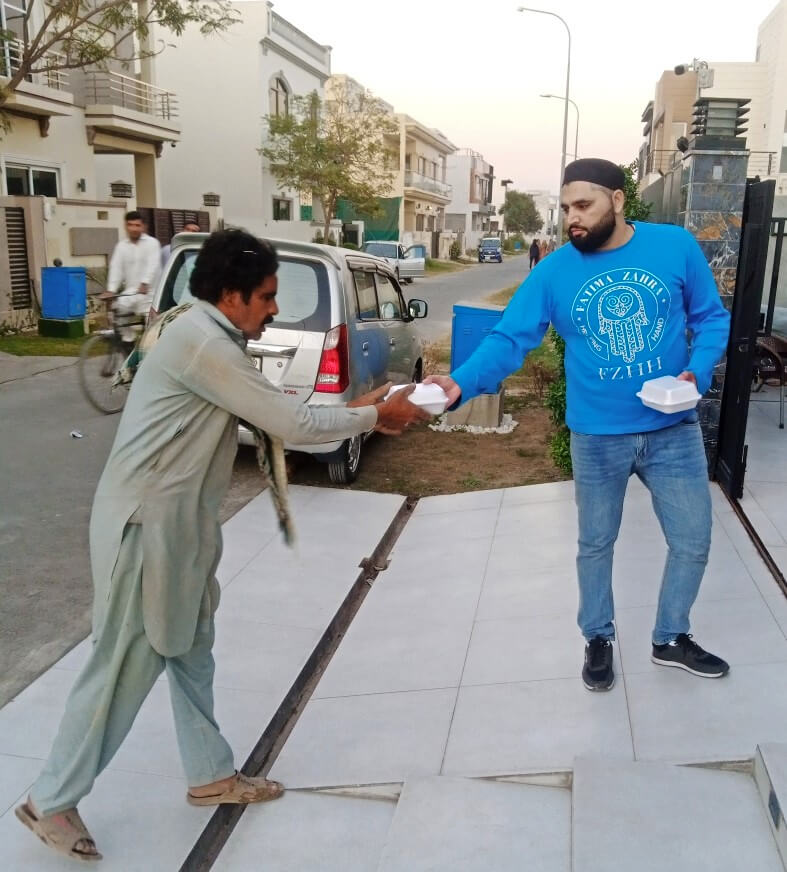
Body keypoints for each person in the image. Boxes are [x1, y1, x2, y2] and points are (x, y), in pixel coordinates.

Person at [16, 229, 429, 862]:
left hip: (179, 527)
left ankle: (211, 774)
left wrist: (359, 406)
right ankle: (50, 798)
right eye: (265, 297)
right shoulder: (204, 342)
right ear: (231, 295)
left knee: (189, 650)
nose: (272, 309)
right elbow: (288, 423)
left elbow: (272, 406)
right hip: (146, 528)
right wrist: (377, 417)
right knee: (123, 665)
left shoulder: (211, 335)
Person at [427, 158, 731, 693]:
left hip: (672, 428)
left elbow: (710, 317)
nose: (573, 217)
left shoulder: (674, 246)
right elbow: (509, 337)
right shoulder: (555, 270)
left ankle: (669, 638)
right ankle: (597, 637)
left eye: (583, 205)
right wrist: (461, 382)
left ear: (617, 200)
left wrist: (697, 370)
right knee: (595, 543)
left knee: (693, 541)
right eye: (566, 207)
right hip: (597, 434)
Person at [107, 211, 162, 320]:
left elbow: (153, 264)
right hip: (131, 292)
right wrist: (111, 290)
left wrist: (145, 282)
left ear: (143, 227)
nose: (134, 229)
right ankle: (128, 337)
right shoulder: (121, 246)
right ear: (125, 226)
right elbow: (116, 269)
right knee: (118, 310)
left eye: (137, 225)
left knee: (151, 323)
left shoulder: (152, 243)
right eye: (130, 225)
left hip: (151, 293)